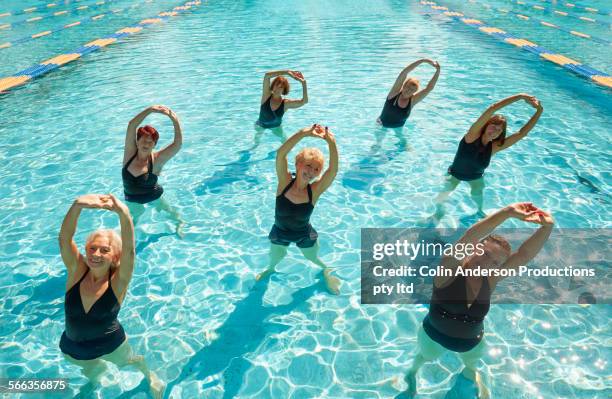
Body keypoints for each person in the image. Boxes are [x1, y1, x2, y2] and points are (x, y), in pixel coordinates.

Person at [401, 203, 554, 399]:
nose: (486, 263)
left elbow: (524, 255)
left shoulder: (491, 279)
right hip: (433, 335)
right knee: (424, 357)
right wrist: (507, 213)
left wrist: (547, 227)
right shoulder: (449, 269)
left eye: (495, 263)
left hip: (471, 343)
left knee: (471, 366)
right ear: (474, 247)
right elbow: (469, 236)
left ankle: (472, 376)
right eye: (485, 253)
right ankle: (412, 375)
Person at [58, 194, 164, 398]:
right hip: (73, 345)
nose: (96, 254)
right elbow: (64, 239)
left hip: (110, 344)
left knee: (130, 361)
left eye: (104, 250)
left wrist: (123, 213)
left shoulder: (118, 281)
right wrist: (77, 206)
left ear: (115, 256)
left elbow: (130, 252)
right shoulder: (76, 272)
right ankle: (95, 380)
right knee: (90, 370)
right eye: (92, 248)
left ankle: (149, 375)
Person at [256, 124, 341, 295]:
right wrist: (303, 133)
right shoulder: (284, 182)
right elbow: (281, 154)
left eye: (316, 169)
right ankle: (270, 270)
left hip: (304, 234)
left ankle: (327, 271)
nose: (311, 172)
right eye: (308, 165)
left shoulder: (314, 191)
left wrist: (331, 142)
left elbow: (332, 170)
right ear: (298, 164)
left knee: (313, 258)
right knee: (275, 259)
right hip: (280, 232)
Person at [436, 93, 543, 216]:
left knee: (477, 195)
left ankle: (479, 212)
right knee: (443, 196)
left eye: (499, 130)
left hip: (476, 177)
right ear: (486, 126)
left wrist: (539, 111)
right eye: (493, 127)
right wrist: (519, 96)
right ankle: (437, 213)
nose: (495, 132)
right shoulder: (471, 136)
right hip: (454, 174)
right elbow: (492, 108)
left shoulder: (494, 147)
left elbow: (521, 133)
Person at [122, 105, 184, 234]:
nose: (146, 144)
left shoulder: (157, 160)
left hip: (153, 196)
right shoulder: (129, 154)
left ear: (155, 144)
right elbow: (132, 125)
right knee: (134, 219)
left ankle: (179, 224)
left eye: (150, 142)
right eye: (144, 140)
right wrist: (150, 110)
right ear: (137, 141)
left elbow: (177, 144)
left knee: (169, 213)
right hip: (132, 199)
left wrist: (174, 120)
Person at [377, 58, 440, 128]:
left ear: (415, 92)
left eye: (412, 90)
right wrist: (423, 61)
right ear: (403, 86)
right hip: (381, 125)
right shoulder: (394, 93)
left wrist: (437, 71)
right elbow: (404, 72)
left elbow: (429, 88)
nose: (409, 90)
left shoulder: (413, 100)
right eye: (408, 87)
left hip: (399, 128)